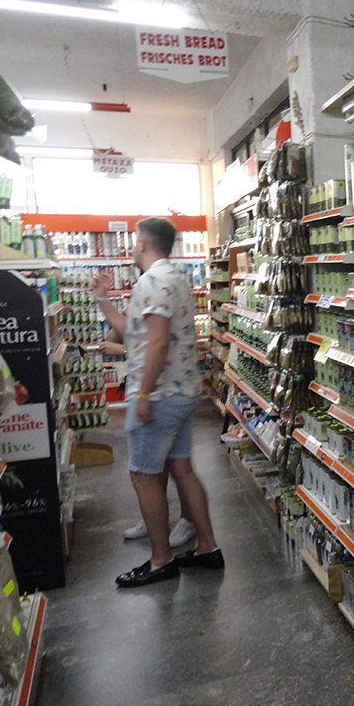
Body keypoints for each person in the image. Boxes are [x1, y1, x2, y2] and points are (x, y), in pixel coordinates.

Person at [92, 217, 223, 587]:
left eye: (135, 240)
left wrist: (144, 394)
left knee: (144, 476)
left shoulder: (153, 281)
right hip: (182, 392)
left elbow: (158, 343)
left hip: (160, 395)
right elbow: (132, 333)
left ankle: (161, 560)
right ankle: (208, 548)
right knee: (182, 469)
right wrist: (102, 299)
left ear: (142, 243)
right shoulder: (172, 277)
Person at [100, 329, 197, 547]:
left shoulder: (162, 306)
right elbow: (111, 340)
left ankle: (187, 523)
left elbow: (162, 347)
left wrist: (123, 349)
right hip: (150, 390)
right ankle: (156, 519)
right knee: (157, 467)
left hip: (166, 391)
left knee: (173, 467)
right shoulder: (141, 307)